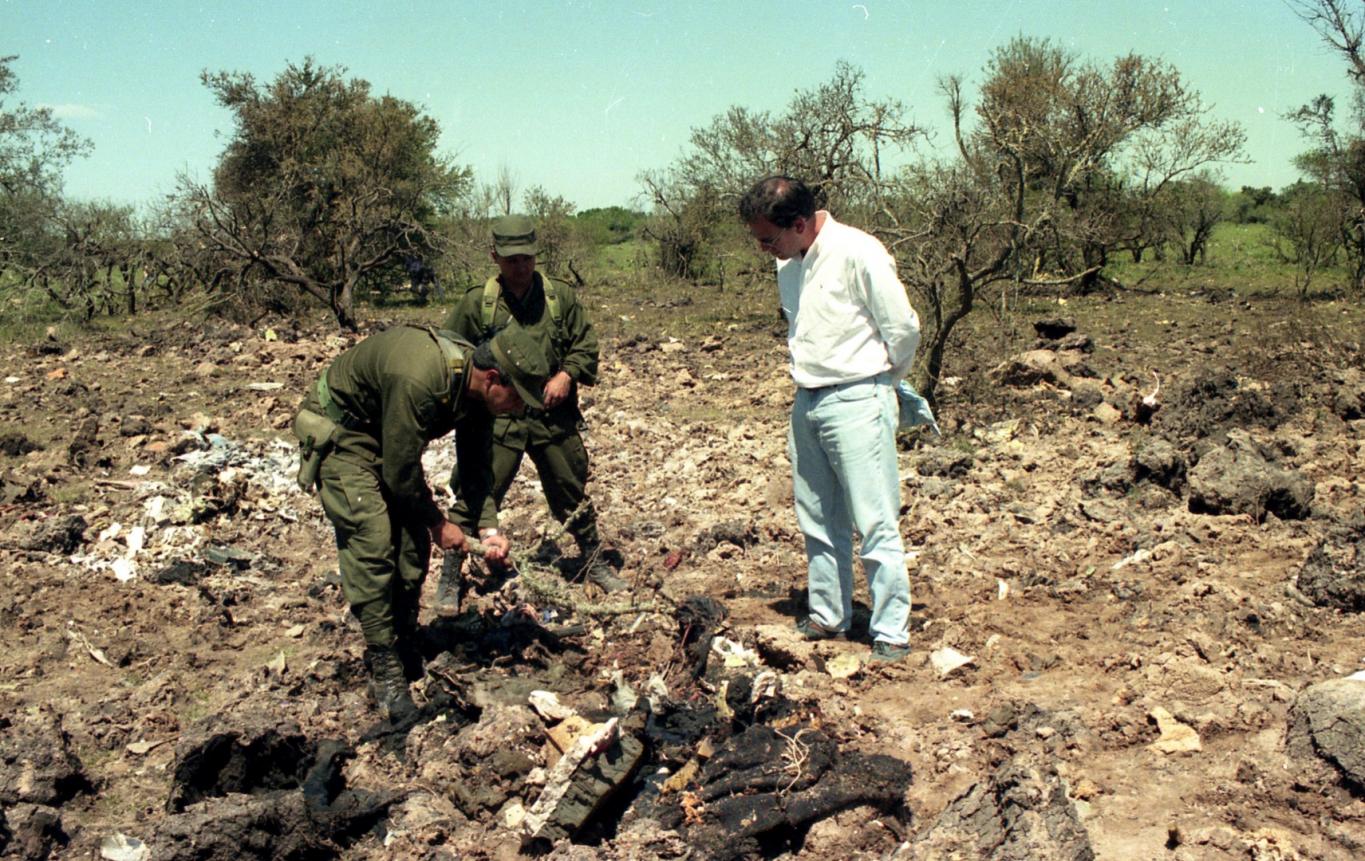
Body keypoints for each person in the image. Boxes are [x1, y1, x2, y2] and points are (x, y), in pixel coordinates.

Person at [292, 324, 551, 722]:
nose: (519, 407)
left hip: (387, 432)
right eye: (517, 396)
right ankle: (385, 663)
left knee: (412, 541)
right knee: (374, 540)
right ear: (494, 378)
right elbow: (400, 474)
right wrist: (439, 524)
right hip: (343, 433)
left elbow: (477, 465)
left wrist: (488, 529)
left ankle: (405, 638)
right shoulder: (422, 377)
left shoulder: (478, 390)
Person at [738, 176, 920, 663]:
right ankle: (828, 615)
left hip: (859, 395)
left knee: (874, 518)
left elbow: (902, 328)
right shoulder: (789, 263)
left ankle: (890, 630)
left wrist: (881, 381)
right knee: (817, 517)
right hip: (809, 399)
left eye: (768, 239)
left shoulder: (859, 251)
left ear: (799, 223)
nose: (764, 250)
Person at [438, 214, 625, 607]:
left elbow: (584, 345)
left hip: (551, 416)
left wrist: (567, 375)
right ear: (495, 257)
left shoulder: (559, 297)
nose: (519, 267)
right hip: (497, 420)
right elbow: (451, 351)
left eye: (526, 258)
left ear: (535, 254)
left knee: (570, 492)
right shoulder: (479, 303)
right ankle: (451, 576)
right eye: (510, 260)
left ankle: (592, 560)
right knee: (476, 493)